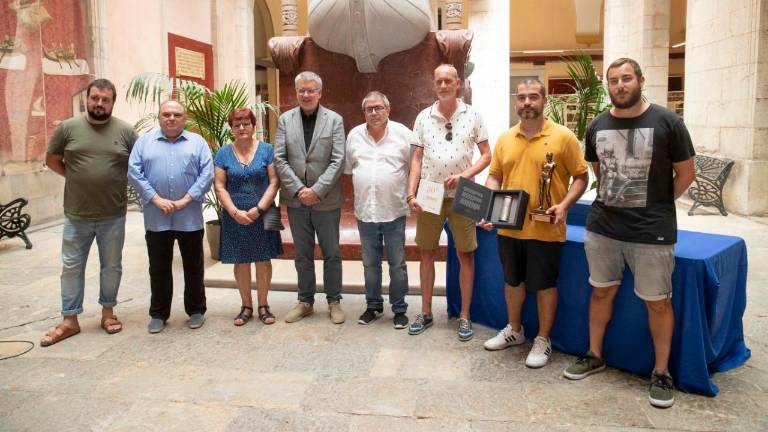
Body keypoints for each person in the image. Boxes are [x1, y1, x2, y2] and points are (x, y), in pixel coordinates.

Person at [562, 58, 696, 408]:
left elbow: (685, 173)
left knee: (658, 302)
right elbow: (599, 170)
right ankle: (594, 354)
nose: (620, 85)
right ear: (608, 86)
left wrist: (659, 203)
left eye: (626, 79)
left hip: (652, 232)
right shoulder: (596, 126)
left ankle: (661, 372)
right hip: (603, 228)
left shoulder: (668, 122)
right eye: (613, 80)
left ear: (640, 80)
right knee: (601, 293)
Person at [480, 79, 588, 368]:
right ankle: (515, 330)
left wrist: (564, 205)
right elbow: (494, 176)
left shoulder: (563, 137)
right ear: (516, 102)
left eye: (533, 98)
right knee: (512, 280)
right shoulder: (505, 138)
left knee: (544, 285)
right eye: (522, 98)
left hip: (546, 227)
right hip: (509, 227)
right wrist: (489, 206)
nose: (527, 103)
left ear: (544, 100)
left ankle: (543, 339)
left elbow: (581, 176)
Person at [40, 78, 138, 347]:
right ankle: (70, 319)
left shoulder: (126, 131)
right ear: (87, 98)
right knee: (71, 268)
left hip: (113, 214)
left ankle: (108, 312)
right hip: (76, 214)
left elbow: (137, 164)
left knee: (111, 267)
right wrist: (75, 178)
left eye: (105, 100)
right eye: (95, 98)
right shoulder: (67, 128)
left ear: (112, 102)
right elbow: (51, 160)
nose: (99, 103)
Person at [407, 64, 491, 341]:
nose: (443, 85)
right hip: (429, 192)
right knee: (426, 252)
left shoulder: (473, 114)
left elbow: (486, 156)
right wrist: (411, 194)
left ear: (458, 84)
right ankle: (427, 311)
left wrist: (464, 175)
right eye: (438, 81)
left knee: (466, 253)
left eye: (448, 81)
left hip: (466, 191)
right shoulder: (422, 117)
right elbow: (416, 160)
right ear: (434, 85)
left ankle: (464, 316)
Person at [128, 100, 214, 334]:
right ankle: (158, 314)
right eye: (166, 114)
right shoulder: (144, 143)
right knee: (158, 268)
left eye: (177, 114)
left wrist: (186, 199)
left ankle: (196, 310)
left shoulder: (198, 143)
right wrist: (156, 199)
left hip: (190, 217)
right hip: (157, 218)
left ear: (185, 118)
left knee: (194, 266)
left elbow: (207, 173)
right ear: (159, 117)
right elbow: (134, 172)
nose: (172, 118)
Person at [273, 71, 346, 324]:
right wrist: (299, 190)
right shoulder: (285, 120)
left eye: (310, 90)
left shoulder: (334, 120)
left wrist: (316, 190)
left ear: (319, 93)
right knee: (302, 253)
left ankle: (334, 301)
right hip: (296, 201)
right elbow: (279, 158)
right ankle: (305, 301)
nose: (305, 94)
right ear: (296, 92)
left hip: (326, 200)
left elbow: (338, 160)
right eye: (301, 90)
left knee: (332, 252)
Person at [345, 91, 413, 329]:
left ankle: (400, 309)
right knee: (370, 264)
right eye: (369, 109)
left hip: (394, 211)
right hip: (366, 212)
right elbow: (349, 168)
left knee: (397, 264)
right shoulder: (354, 136)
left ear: (388, 109)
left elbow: (416, 166)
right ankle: (373, 306)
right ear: (364, 112)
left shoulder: (404, 134)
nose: (374, 113)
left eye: (378, 108)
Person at [213, 107, 283, 326]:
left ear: (254, 125)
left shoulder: (267, 150)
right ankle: (246, 306)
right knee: (241, 261)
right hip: (235, 215)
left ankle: (263, 305)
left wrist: (259, 208)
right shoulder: (223, 153)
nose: (241, 128)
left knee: (263, 259)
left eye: (246, 123)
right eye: (236, 124)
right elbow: (219, 186)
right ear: (231, 127)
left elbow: (274, 181)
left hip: (263, 212)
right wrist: (234, 212)